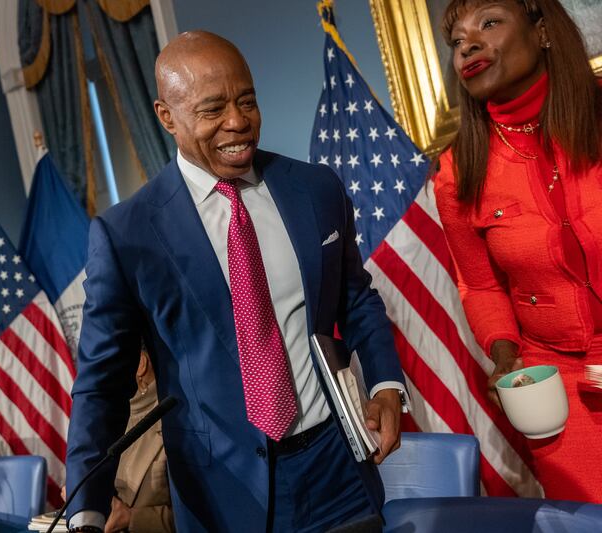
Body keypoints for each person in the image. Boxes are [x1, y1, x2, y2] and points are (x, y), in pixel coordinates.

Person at [64, 31, 407, 533]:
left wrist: (385, 383)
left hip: (339, 474)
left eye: (247, 100)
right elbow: (101, 386)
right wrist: (86, 513)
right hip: (224, 500)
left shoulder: (314, 189)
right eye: (213, 109)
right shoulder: (126, 235)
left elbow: (355, 298)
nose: (238, 122)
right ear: (167, 117)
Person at [434, 0, 602, 503]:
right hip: (558, 383)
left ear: (543, 31)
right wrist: (504, 353)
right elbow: (481, 284)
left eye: (489, 23)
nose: (469, 44)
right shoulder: (458, 170)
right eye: (457, 39)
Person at [105, 350, 174, 533]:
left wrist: (131, 517)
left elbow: (202, 515)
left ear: (141, 364)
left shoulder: (177, 420)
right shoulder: (105, 420)